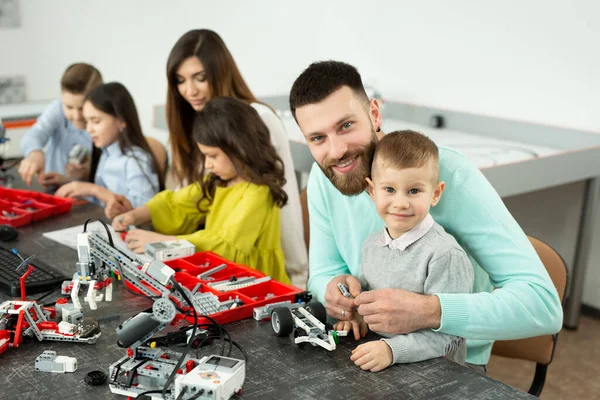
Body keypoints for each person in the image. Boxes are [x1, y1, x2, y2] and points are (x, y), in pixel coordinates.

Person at [288, 60, 562, 371]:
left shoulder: (452, 174)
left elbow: (543, 305)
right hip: (370, 346)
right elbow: (323, 273)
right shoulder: (324, 178)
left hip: (449, 360)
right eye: (318, 138)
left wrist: (430, 310)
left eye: (346, 126)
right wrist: (333, 290)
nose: (336, 150)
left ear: (374, 114)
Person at [165, 29, 306, 284]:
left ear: (220, 73)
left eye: (200, 78)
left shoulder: (258, 120)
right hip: (208, 266)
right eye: (181, 80)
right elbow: (191, 197)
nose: (190, 90)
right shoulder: (195, 122)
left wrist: (297, 275)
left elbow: (282, 203)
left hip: (250, 269)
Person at [333, 131, 473, 372]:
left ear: (435, 194)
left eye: (414, 191)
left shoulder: (445, 254)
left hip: (437, 374)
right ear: (372, 190)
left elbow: (452, 338)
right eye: (389, 189)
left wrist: (392, 350)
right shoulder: (371, 244)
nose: (400, 203)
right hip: (384, 364)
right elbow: (370, 304)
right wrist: (357, 318)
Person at [112, 97, 290, 284]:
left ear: (239, 148)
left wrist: (162, 242)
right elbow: (176, 204)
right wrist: (136, 216)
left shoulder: (258, 192)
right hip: (226, 278)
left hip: (258, 283)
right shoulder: (219, 182)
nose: (207, 164)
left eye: (212, 156)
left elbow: (225, 245)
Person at [55, 82, 163, 218]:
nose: (89, 129)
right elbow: (102, 203)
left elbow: (147, 211)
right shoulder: (106, 153)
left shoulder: (135, 160)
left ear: (121, 121)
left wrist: (95, 190)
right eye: (87, 121)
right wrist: (69, 183)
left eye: (96, 121)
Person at [19, 63, 103, 186]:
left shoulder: (107, 122)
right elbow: (35, 134)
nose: (76, 116)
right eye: (69, 107)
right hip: (56, 186)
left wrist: (87, 174)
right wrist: (34, 153)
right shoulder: (57, 109)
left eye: (82, 108)